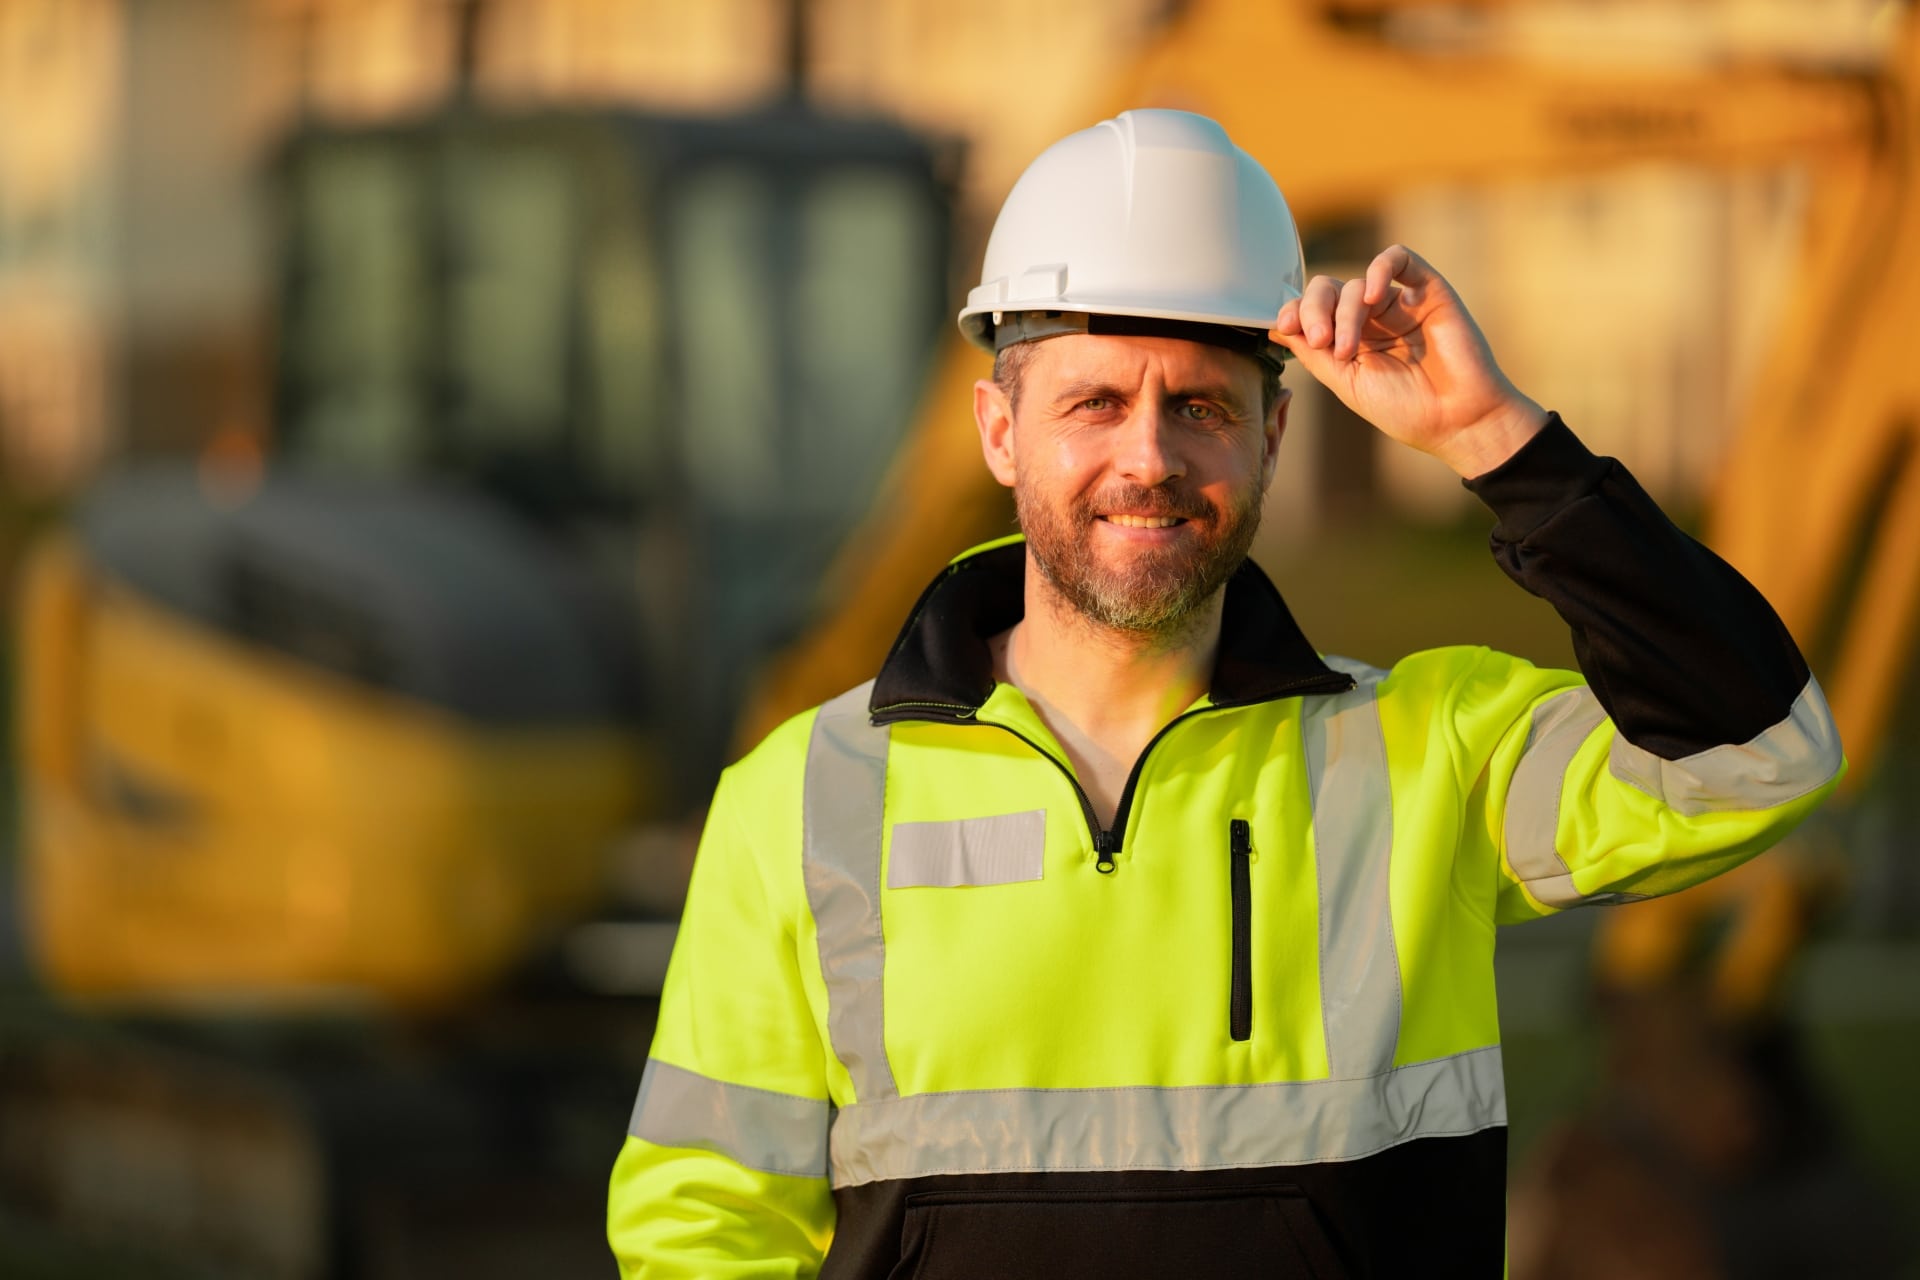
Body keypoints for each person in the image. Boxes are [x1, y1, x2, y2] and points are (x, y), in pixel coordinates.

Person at [607, 109, 1843, 1278]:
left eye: (1199, 405)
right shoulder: (801, 799)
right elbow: (706, 1220)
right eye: (1095, 401)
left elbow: (1760, 751)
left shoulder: (1434, 757)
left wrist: (1497, 439)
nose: (1148, 456)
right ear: (999, 431)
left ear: (1272, 437)